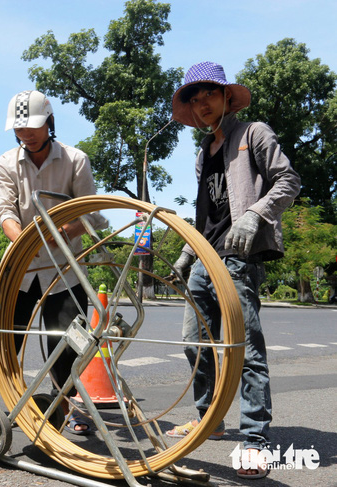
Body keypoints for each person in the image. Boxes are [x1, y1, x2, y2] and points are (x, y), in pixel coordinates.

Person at [164, 62, 301, 480]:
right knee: (194, 342)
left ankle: (256, 440)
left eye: (208, 95)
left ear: (226, 97)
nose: (201, 105)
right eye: (193, 99)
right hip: (206, 258)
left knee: (245, 350)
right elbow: (205, 214)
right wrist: (189, 251)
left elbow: (289, 180)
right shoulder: (202, 153)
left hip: (240, 257)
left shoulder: (253, 134)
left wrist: (256, 215)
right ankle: (210, 420)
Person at [0, 90, 108, 434]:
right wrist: (21, 239)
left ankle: (64, 406)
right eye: (19, 128)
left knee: (67, 339)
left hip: (64, 266)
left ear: (50, 123)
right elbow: (5, 211)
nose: (26, 134)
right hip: (21, 266)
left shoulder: (75, 160)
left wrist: (61, 230)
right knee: (2, 334)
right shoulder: (5, 163)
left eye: (32, 126)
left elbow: (89, 210)